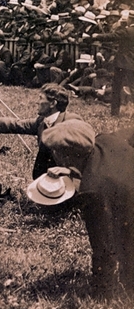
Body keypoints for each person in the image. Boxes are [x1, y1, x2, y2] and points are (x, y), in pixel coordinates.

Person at [30, 120, 134, 297]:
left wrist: (100, 294)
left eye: (55, 151)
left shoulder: (92, 192)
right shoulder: (105, 139)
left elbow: (103, 250)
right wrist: (72, 170)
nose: (53, 155)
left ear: (67, 155)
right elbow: (100, 162)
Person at [0, 83, 81, 179]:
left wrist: (68, 171)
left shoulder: (72, 122)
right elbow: (11, 124)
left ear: (53, 103)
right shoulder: (42, 121)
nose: (36, 102)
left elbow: (88, 156)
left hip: (74, 178)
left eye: (41, 99)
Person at [92, 20, 134, 117]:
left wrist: (97, 36)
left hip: (122, 63)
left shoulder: (128, 31)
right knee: (133, 88)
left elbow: (112, 36)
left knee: (117, 87)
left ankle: (114, 113)